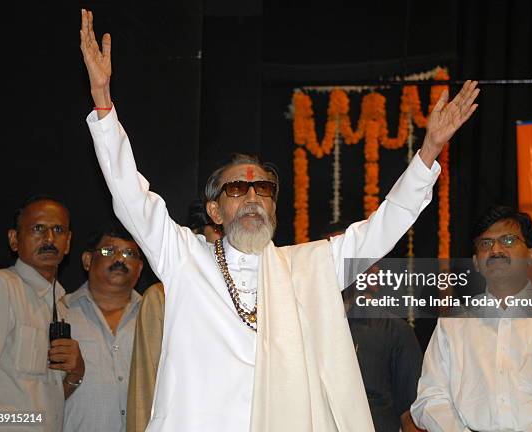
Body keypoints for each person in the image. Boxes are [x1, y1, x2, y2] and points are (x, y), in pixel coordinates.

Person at [79, 8, 479, 431]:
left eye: (263, 190)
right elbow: (129, 195)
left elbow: (381, 228)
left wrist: (429, 151)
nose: (252, 196)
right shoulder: (184, 258)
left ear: (273, 207)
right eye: (236, 189)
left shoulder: (306, 267)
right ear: (214, 210)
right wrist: (103, 100)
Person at [411, 206, 532, 431]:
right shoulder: (454, 322)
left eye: (508, 240)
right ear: (476, 262)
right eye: (486, 243)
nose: (496, 249)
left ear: (531, 254)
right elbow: (430, 398)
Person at [0, 196, 84, 432]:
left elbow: (46, 397)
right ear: (14, 239)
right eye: (38, 228)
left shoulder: (61, 303)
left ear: (68, 242)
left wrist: (77, 371)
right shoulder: (3, 284)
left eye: (58, 230)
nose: (49, 239)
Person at [126, 201, 222, 432]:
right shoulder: (161, 297)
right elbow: (145, 383)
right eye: (219, 231)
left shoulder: (256, 295)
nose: (227, 241)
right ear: (196, 236)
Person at [321, 223, 424, 432]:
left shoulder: (395, 330)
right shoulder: (295, 325)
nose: (342, 265)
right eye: (334, 255)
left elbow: (412, 416)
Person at [62, 225, 144, 431]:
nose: (120, 259)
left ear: (140, 268)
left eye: (129, 253)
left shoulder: (157, 319)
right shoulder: (60, 312)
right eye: (109, 251)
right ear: (87, 260)